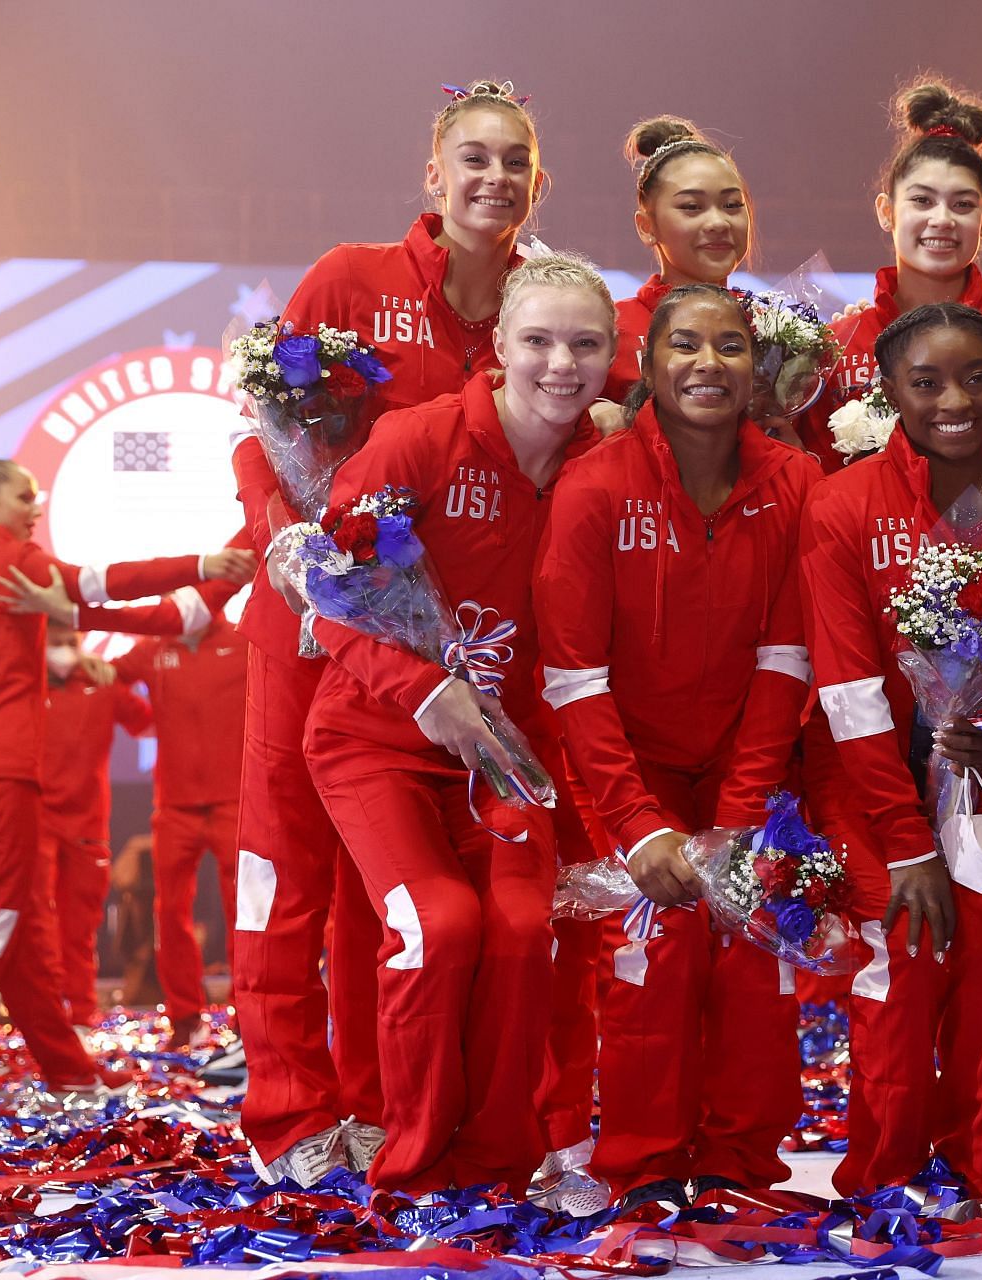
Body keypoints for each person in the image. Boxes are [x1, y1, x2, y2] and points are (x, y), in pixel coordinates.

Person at [229, 78, 544, 1186]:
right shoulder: (350, 280)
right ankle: (287, 1111)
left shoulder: (535, 310)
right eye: (475, 156)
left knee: (389, 892)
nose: (492, 178)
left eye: (514, 162)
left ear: (536, 184)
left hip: (431, 661)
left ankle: (373, 1103)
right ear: (433, 173)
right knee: (285, 875)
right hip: (307, 631)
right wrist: (292, 546)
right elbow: (260, 443)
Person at [304, 253, 612, 1193]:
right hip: (372, 743)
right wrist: (419, 690)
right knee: (437, 927)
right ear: (499, 349)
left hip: (508, 760)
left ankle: (497, 1166)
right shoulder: (415, 442)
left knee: (522, 930)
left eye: (585, 344)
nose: (561, 363)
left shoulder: (605, 468)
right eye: (538, 341)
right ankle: (414, 1173)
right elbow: (322, 594)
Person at [538, 283, 818, 1207]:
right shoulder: (593, 486)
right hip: (628, 781)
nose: (709, 364)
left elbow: (786, 663)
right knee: (651, 957)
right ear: (650, 368)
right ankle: (646, 1167)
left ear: (756, 367)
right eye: (686, 347)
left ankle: (738, 1165)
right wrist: (638, 826)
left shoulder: (794, 483)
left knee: (756, 955)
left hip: (752, 774)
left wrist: (741, 821)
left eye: (731, 346)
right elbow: (574, 678)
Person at [800, 302, 982, 1198]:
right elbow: (845, 689)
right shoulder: (842, 505)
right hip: (869, 788)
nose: (953, 399)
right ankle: (885, 1172)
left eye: (975, 377)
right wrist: (906, 839)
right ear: (889, 392)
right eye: (925, 382)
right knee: (907, 954)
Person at [0, 448, 251, 1087]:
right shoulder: (15, 562)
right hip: (0, 778)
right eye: (25, 499)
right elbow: (111, 581)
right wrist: (202, 564)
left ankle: (67, 1069)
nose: (35, 509)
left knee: (8, 921)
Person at [795, 82, 982, 475]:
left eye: (962, 204)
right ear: (886, 211)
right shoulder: (839, 343)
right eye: (922, 200)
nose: (942, 219)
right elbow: (819, 484)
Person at [117, 612, 249, 1049]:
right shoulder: (155, 646)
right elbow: (102, 675)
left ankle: (245, 1014)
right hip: (174, 805)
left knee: (244, 912)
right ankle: (184, 1018)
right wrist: (138, 719)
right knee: (169, 912)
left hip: (234, 798)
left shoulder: (243, 638)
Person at [42, 617, 153, 1026]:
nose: (62, 648)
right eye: (54, 641)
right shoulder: (21, 682)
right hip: (35, 827)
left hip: (87, 827)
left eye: (68, 640)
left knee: (80, 928)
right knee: (39, 928)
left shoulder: (102, 683)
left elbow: (148, 721)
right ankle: (45, 1015)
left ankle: (82, 1014)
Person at [600, 117, 752, 413]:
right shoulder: (609, 330)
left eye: (732, 205)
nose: (718, 222)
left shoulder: (773, 328)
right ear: (646, 226)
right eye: (692, 207)